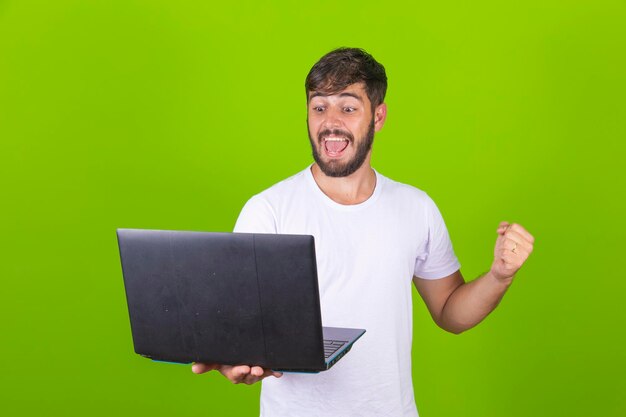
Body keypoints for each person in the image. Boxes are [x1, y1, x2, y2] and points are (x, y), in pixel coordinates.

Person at [192, 47, 535, 417]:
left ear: (379, 116)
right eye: (319, 107)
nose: (330, 122)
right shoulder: (267, 211)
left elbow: (451, 312)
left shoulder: (416, 208)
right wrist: (233, 361)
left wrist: (500, 275)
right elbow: (239, 328)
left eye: (349, 107)